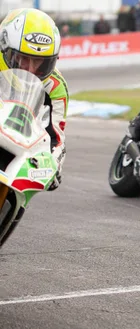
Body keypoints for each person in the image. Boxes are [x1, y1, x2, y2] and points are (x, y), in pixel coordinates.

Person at [0, 7, 68, 191]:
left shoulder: (55, 85)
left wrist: (54, 165)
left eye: (39, 62)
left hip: (18, 141)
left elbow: (57, 137)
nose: (29, 68)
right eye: (22, 58)